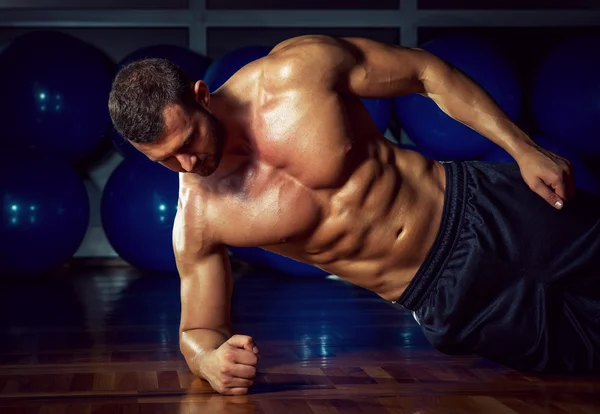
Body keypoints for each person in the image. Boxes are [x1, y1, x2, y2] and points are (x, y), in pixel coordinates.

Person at [108, 35, 600, 395]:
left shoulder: (297, 71)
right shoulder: (198, 218)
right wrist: (210, 362)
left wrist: (522, 148)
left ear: (201, 95)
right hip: (444, 296)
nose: (188, 165)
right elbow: (197, 331)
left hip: (479, 206)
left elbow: (425, 71)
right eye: (165, 160)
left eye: (188, 141)